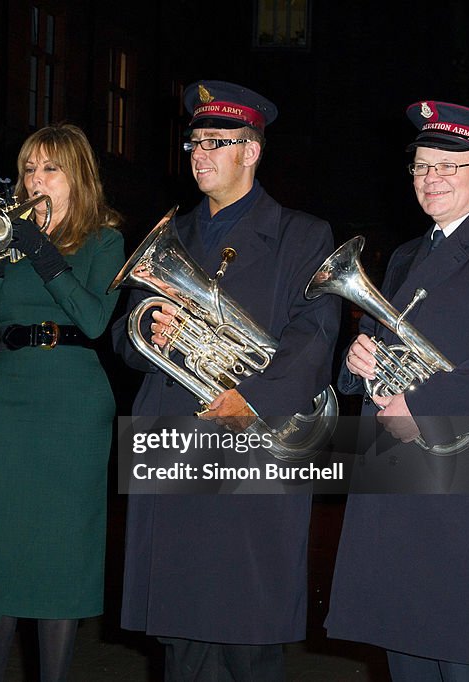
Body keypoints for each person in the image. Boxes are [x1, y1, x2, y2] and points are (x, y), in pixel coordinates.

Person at [114, 81, 339, 680]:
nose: (200, 153)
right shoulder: (173, 234)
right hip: (173, 447)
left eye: (218, 142)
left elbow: (315, 337)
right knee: (181, 645)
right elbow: (122, 335)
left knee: (248, 640)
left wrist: (252, 399)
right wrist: (155, 331)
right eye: (194, 141)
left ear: (253, 151)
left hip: (252, 448)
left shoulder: (303, 235)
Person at [325, 102, 469, 680]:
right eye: (420, 166)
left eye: (448, 165)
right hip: (399, 490)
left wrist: (420, 407)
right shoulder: (409, 255)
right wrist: (359, 361)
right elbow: (381, 343)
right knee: (408, 660)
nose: (430, 177)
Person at [0, 123, 125, 681]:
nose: (35, 180)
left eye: (48, 168)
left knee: (62, 552)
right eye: (29, 168)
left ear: (76, 178)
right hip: (5, 402)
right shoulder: (4, 237)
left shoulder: (104, 240)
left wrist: (45, 253)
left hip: (72, 405)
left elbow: (96, 319)